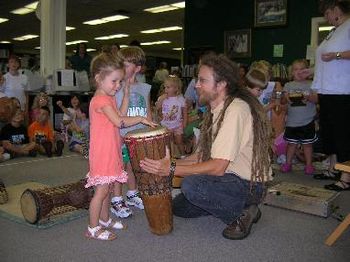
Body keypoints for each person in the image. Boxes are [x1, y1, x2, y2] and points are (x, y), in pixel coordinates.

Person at [140, 54, 272, 240]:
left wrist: (170, 169)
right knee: (179, 207)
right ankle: (223, 202)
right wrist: (172, 162)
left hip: (248, 185)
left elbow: (217, 167)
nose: (196, 85)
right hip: (229, 177)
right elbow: (202, 155)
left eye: (202, 80)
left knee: (191, 186)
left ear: (221, 84)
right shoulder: (216, 108)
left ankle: (243, 212)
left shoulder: (235, 110)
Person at [85, 52, 156, 241]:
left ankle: (105, 219)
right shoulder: (100, 100)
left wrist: (125, 96)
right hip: (103, 153)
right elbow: (120, 122)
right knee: (100, 192)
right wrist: (141, 118)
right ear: (99, 78)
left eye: (119, 82)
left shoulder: (108, 97)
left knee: (107, 189)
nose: (118, 86)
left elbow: (120, 114)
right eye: (114, 82)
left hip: (112, 150)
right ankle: (93, 227)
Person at [304, 0, 350, 191]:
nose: (326, 17)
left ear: (336, 10)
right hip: (327, 91)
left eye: (327, 13)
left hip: (342, 91)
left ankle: (346, 177)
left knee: (343, 134)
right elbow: (326, 61)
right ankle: (332, 169)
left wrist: (337, 55)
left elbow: (336, 57)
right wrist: (310, 72)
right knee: (330, 133)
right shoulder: (334, 31)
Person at [112, 46, 153, 218]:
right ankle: (116, 199)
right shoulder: (116, 86)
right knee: (119, 166)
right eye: (120, 64)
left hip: (137, 134)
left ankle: (132, 193)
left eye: (126, 65)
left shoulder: (145, 88)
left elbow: (148, 110)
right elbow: (113, 113)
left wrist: (150, 130)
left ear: (137, 68)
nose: (122, 68)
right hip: (120, 134)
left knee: (133, 165)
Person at [281, 59, 318, 175]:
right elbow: (282, 101)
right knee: (291, 144)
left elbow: (317, 99)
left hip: (307, 121)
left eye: (302, 69)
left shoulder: (312, 84)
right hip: (292, 121)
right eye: (296, 69)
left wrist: (308, 97)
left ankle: (308, 165)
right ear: (291, 72)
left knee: (307, 145)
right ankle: (288, 163)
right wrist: (285, 97)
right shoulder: (288, 85)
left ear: (308, 71)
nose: (299, 72)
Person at [156, 75, 187, 156]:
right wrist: (161, 100)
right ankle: (169, 158)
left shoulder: (180, 99)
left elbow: (184, 112)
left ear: (176, 88)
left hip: (177, 125)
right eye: (165, 87)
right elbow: (157, 109)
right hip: (166, 125)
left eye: (168, 87)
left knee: (179, 141)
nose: (166, 89)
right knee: (167, 143)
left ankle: (183, 156)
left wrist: (184, 122)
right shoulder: (162, 98)